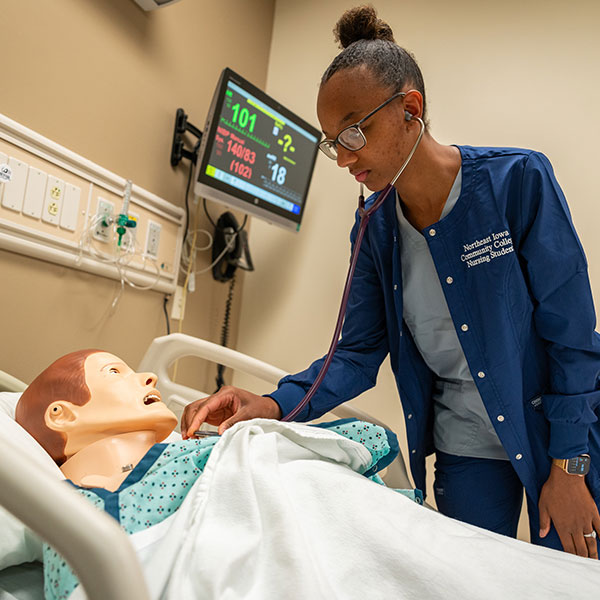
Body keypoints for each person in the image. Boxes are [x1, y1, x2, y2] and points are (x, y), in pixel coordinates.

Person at [181, 5, 600, 558]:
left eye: (355, 130)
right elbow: (354, 352)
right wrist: (275, 403)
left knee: (575, 575)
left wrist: (570, 465)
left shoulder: (517, 182)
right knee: (470, 577)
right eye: (333, 142)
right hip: (464, 444)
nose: (343, 158)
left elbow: (572, 337)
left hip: (557, 433)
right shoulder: (375, 227)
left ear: (411, 110)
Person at [15, 349, 400, 599]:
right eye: (115, 371)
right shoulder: (73, 518)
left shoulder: (204, 450)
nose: (149, 377)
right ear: (62, 415)